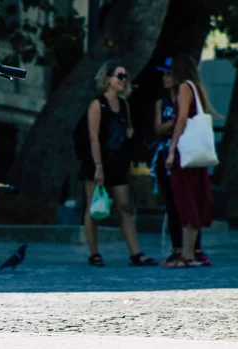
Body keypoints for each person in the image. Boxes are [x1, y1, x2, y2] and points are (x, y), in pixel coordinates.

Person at [78, 61, 158, 267]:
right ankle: (94, 253)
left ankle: (136, 253)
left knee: (124, 206)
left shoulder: (124, 105)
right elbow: (93, 137)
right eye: (119, 76)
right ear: (107, 79)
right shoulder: (97, 104)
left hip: (117, 162)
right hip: (96, 162)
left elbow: (128, 128)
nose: (124, 80)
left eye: (126, 77)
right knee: (93, 207)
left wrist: (129, 134)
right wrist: (98, 167)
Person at [151, 57, 211, 266]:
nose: (167, 76)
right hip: (195, 156)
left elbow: (181, 119)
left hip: (184, 154)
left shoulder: (185, 88)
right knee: (191, 201)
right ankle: (189, 253)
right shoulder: (196, 88)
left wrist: (171, 148)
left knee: (184, 202)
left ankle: (187, 254)